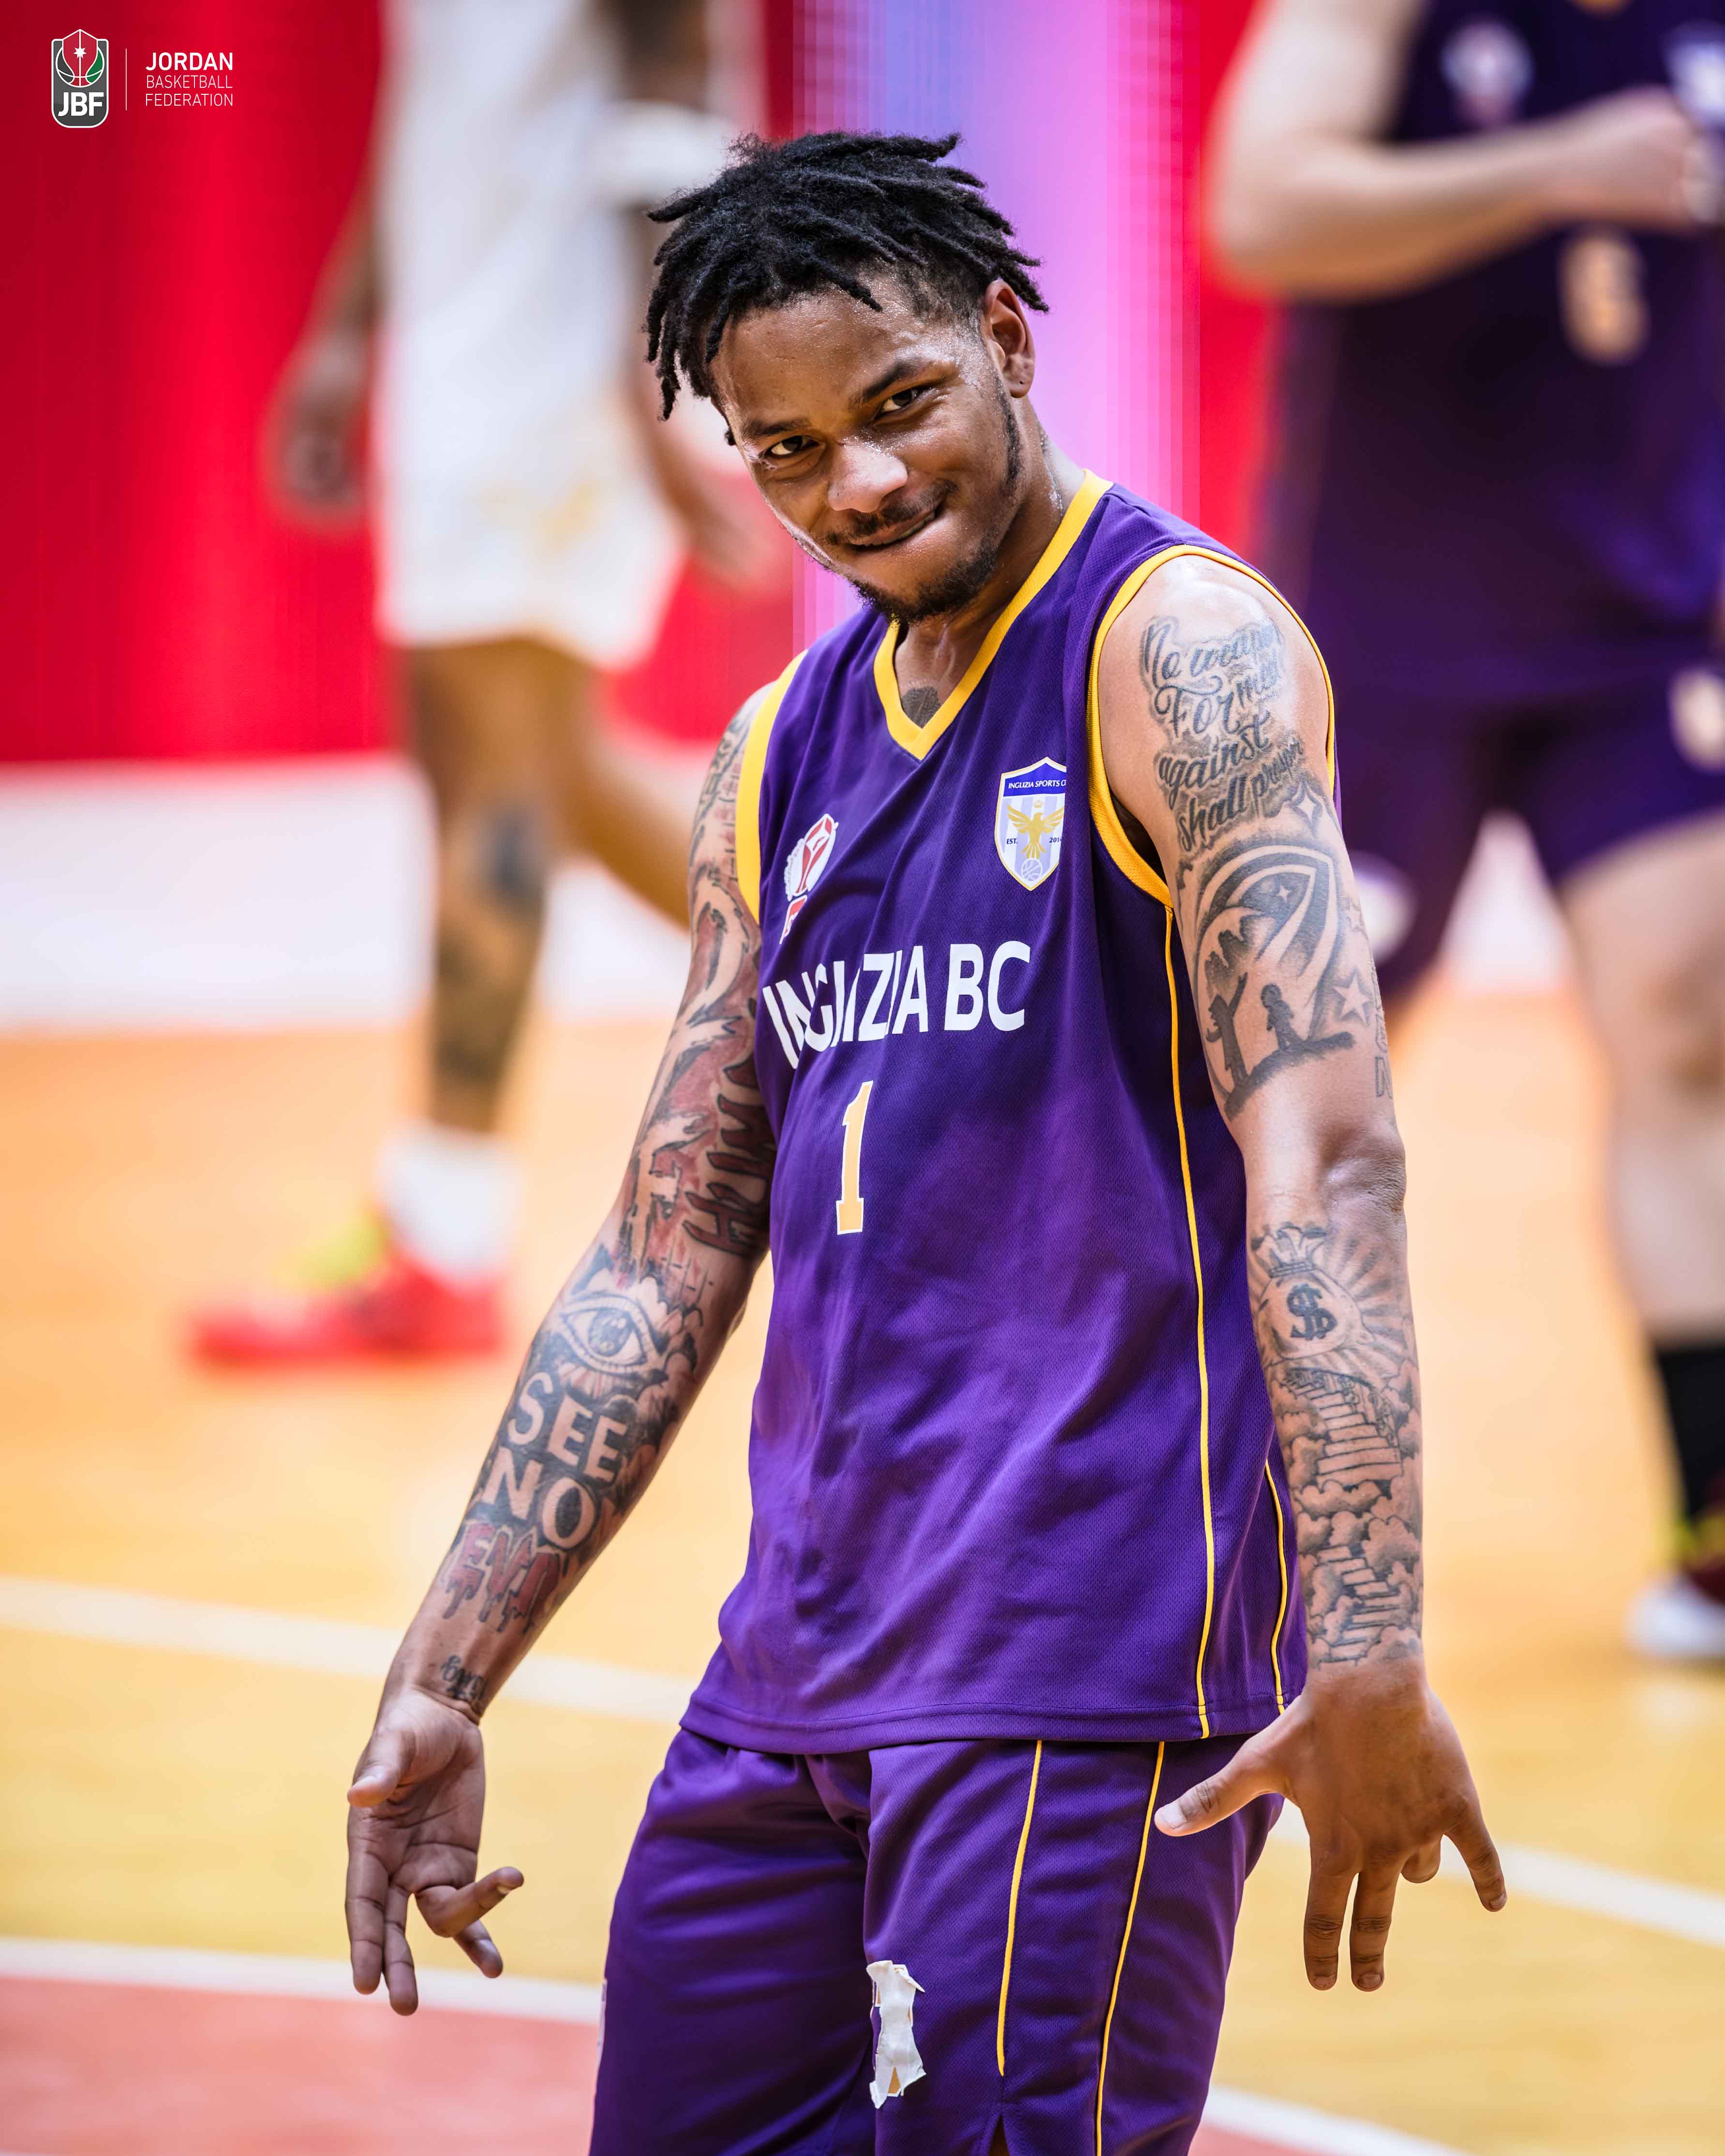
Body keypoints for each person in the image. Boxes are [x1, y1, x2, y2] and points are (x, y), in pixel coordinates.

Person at [340, 133, 1503, 2153]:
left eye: (899, 405)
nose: (860, 485)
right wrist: (447, 1668)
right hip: (789, 1679)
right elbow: (662, 1252)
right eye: (787, 452)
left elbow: (1329, 1165)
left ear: (1007, 337)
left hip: (1079, 1676)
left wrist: (1373, 1641)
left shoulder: (1178, 655)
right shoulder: (774, 752)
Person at [1209, 0, 1725, 1659]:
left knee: (1693, 1024)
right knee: (1288, 1081)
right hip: (1386, 636)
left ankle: (1717, 1533)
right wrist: (1553, 170)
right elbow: (1257, 209)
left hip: (1643, 619)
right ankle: (1159, 1521)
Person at [192, 0, 777, 1364]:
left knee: (504, 788)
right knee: (507, 767)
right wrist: (352, 328)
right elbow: (439, 104)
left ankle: (446, 1241)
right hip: (469, 359)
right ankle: (895, 1001)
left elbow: (674, 75)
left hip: (567, 372)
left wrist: (654, 361)